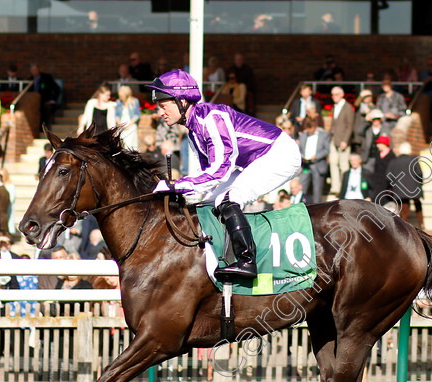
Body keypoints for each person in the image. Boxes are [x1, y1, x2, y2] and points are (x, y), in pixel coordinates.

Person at [146, 69, 301, 279]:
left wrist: (177, 185)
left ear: (181, 101)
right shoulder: (193, 132)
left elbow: (219, 172)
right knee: (207, 204)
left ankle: (247, 261)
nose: (160, 112)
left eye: (163, 106)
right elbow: (206, 181)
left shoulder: (212, 119)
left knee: (228, 198)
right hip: (252, 162)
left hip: (279, 154)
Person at [388, 142, 424, 228]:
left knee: (404, 208)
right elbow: (419, 173)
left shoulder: (393, 162)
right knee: (417, 204)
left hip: (400, 189)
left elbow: (388, 176)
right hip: (414, 188)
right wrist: (420, 184)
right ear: (409, 151)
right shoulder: (414, 160)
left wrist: (391, 186)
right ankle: (421, 224)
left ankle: (406, 227)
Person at [328, 86, 354, 200]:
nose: (334, 97)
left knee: (344, 165)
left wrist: (345, 140)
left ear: (342, 94)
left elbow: (350, 125)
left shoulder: (347, 107)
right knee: (333, 163)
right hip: (334, 139)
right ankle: (336, 187)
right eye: (333, 94)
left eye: (336, 94)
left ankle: (344, 187)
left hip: (343, 140)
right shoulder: (335, 107)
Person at [297, 115, 330, 204]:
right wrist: (302, 156)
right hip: (306, 165)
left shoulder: (324, 135)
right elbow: (299, 149)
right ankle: (300, 206)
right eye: (308, 129)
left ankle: (316, 208)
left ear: (315, 127)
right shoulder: (303, 135)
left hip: (317, 164)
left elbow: (326, 150)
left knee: (317, 190)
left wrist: (316, 156)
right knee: (302, 187)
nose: (309, 131)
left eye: (311, 128)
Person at [28, 63, 60, 129]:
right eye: (32, 70)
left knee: (47, 109)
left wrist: (52, 100)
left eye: (35, 69)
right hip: (35, 103)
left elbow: (57, 89)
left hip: (46, 101)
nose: (34, 71)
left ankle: (46, 128)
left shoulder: (47, 78)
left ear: (38, 69)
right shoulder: (29, 80)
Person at [115, 85, 140, 150]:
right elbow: (116, 115)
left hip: (130, 124)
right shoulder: (119, 102)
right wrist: (120, 123)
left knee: (131, 144)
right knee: (123, 144)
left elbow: (137, 115)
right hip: (122, 124)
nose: (120, 97)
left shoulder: (134, 101)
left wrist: (129, 124)